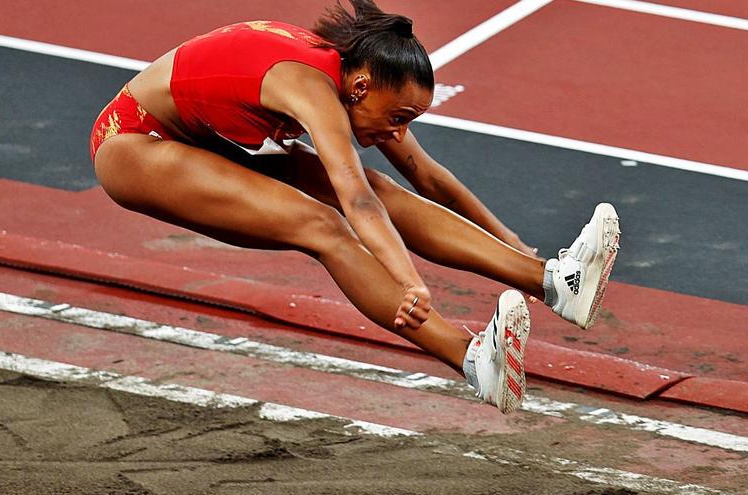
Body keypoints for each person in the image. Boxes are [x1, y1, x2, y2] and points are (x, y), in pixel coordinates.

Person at [89, 0, 620, 414]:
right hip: (136, 145)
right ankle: (471, 360)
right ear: (362, 86)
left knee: (386, 189)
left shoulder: (364, 85)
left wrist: (523, 253)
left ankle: (557, 284)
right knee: (323, 225)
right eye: (400, 117)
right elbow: (355, 202)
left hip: (210, 140)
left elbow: (428, 177)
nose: (400, 132)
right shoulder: (312, 86)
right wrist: (408, 281)